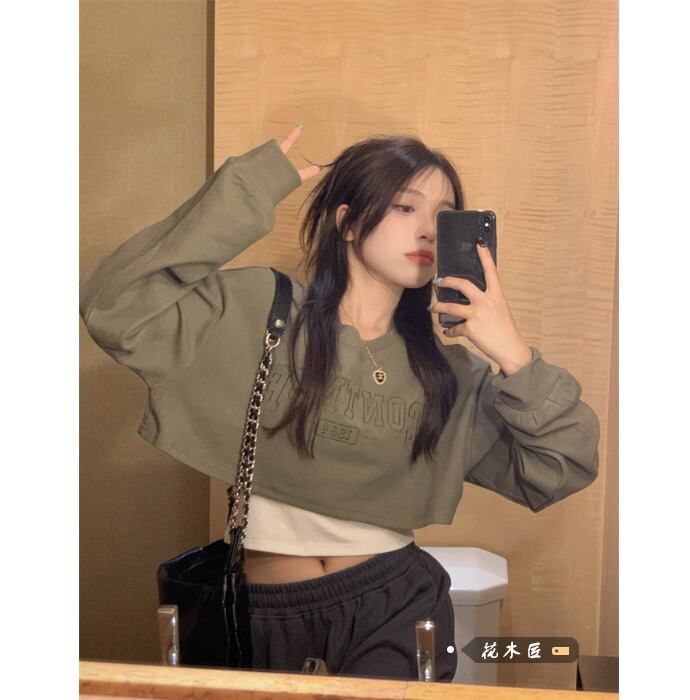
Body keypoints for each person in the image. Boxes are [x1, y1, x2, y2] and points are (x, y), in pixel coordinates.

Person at [79, 124, 600, 682]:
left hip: (395, 606)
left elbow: (563, 467)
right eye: (405, 207)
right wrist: (247, 188)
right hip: (263, 613)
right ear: (347, 222)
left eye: (443, 216)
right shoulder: (261, 310)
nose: (427, 230)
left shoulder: (449, 373)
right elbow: (114, 306)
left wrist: (513, 353)